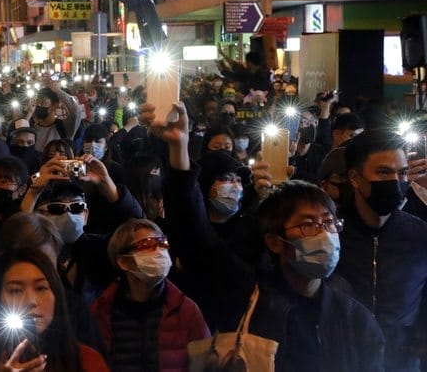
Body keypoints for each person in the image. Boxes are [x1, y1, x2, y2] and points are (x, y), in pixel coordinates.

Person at [147, 101, 385, 371]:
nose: (323, 233)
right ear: (274, 240)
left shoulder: (353, 315)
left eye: (329, 223)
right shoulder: (249, 295)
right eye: (308, 224)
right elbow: (198, 242)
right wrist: (179, 150)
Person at [337, 130, 427, 371]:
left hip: (403, 363)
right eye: (384, 172)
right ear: (355, 178)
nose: (396, 181)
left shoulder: (419, 235)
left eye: (402, 173)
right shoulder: (331, 233)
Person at [0, 248, 109, 372]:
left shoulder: (87, 361)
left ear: (56, 295)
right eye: (15, 290)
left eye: (41, 288)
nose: (31, 301)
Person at [92, 218, 210, 371]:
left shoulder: (185, 309)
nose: (159, 252)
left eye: (162, 244)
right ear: (124, 262)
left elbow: (206, 364)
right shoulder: (101, 311)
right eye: (147, 245)